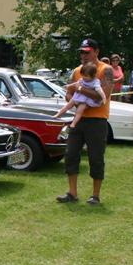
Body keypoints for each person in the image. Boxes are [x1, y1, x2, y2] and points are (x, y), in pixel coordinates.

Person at [56, 39, 113, 205]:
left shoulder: (105, 69)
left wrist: (80, 89)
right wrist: (75, 99)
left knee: (96, 157)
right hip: (79, 120)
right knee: (71, 154)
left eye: (87, 52)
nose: (83, 55)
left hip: (97, 121)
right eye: (81, 52)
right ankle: (72, 193)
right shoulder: (77, 71)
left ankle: (95, 195)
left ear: (96, 52)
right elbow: (68, 94)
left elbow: (103, 96)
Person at [52, 62, 105, 128]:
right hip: (77, 96)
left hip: (85, 99)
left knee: (79, 111)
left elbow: (100, 91)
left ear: (93, 75)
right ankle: (58, 115)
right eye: (83, 75)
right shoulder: (82, 79)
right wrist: (68, 86)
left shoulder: (95, 82)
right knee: (67, 106)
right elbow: (75, 84)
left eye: (86, 76)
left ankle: (74, 123)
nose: (84, 77)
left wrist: (103, 98)